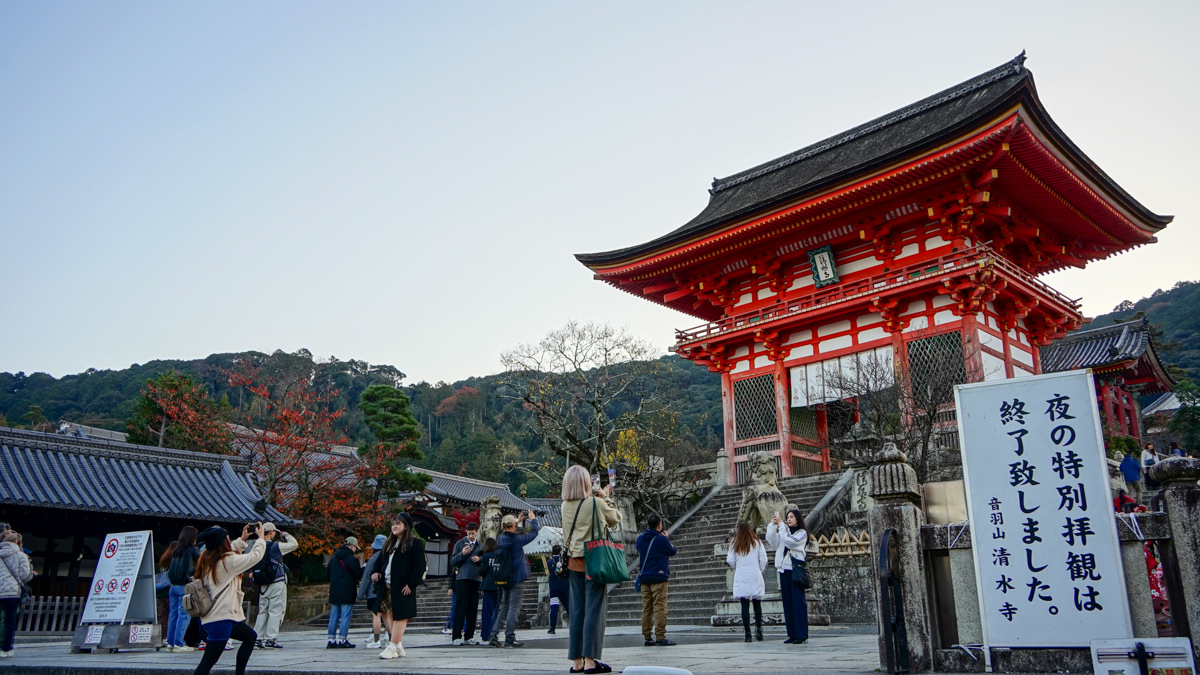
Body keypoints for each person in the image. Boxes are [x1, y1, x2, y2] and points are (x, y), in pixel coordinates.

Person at [561, 465, 621, 674]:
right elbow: (615, 519)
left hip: (573, 561)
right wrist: (605, 497)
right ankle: (590, 661)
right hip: (594, 561)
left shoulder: (564, 506)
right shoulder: (596, 502)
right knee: (594, 611)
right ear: (586, 483)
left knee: (577, 611)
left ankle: (576, 661)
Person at [191, 523, 267, 675]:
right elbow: (255, 556)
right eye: (227, 539)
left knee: (250, 637)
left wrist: (242, 539)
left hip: (222, 617)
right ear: (223, 543)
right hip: (221, 619)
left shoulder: (207, 558)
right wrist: (261, 539)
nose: (229, 540)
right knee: (206, 663)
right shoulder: (227, 562)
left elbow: (229, 551)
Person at [232, 522, 298, 650]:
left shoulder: (256, 546)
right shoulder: (276, 546)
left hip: (262, 583)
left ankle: (257, 637)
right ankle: (270, 638)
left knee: (263, 611)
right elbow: (294, 544)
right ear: (272, 532)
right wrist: (285, 534)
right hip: (276, 581)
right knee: (275, 611)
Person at [369, 513, 426, 659]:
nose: (394, 526)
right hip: (387, 584)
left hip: (403, 585)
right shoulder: (389, 543)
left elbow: (420, 565)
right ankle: (398, 645)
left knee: (401, 616)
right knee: (392, 615)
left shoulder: (415, 543)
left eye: (398, 524)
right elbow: (379, 561)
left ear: (406, 526)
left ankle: (392, 646)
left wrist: (411, 584)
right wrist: (375, 572)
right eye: (393, 524)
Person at [488, 510, 540, 648]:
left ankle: (493, 635)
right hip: (517, 576)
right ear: (513, 526)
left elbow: (509, 529)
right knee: (513, 608)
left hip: (503, 577)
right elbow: (534, 533)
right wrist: (533, 519)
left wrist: (517, 520)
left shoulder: (500, 538)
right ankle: (509, 637)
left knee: (504, 607)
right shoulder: (517, 540)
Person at [766, 509, 809, 645]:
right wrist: (773, 525)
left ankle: (801, 634)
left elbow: (790, 542)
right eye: (787, 517)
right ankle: (792, 633)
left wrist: (783, 527)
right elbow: (772, 541)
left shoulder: (801, 533)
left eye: (792, 517)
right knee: (788, 603)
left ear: (798, 519)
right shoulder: (784, 532)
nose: (789, 519)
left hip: (795, 569)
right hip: (784, 569)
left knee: (798, 602)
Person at [635, 514, 677, 647]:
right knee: (659, 606)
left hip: (645, 577)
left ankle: (647, 636)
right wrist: (666, 538)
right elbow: (672, 551)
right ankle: (660, 635)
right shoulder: (662, 539)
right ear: (659, 525)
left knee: (646, 607)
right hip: (659, 576)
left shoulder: (640, 539)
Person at [726, 522, 768, 642]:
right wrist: (759, 569)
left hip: (742, 574)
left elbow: (730, 560)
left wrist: (738, 566)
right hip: (754, 573)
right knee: (757, 603)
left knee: (744, 604)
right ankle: (759, 629)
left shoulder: (735, 543)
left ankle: (747, 633)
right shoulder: (757, 542)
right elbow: (763, 559)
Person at [166, 525, 201, 653]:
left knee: (173, 615)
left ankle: (170, 643)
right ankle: (179, 643)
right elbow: (202, 563)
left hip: (173, 587)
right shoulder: (193, 550)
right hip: (184, 586)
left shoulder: (176, 550)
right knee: (184, 615)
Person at [0, 530, 34, 658]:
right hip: (12, 593)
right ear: (16, 541)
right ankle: (6, 649)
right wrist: (31, 574)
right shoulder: (21, 555)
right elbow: (25, 576)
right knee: (9, 621)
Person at [450, 522, 484, 645]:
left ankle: (469, 635)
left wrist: (480, 559)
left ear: (477, 532)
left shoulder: (481, 545)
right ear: (466, 532)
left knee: (473, 608)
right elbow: (453, 561)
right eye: (469, 533)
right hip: (462, 578)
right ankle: (456, 636)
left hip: (476, 579)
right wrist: (462, 553)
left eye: (473, 533)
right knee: (460, 607)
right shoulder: (459, 544)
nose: (471, 536)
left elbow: (485, 563)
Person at [326, 536, 363, 648]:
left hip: (334, 591)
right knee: (345, 616)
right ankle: (342, 639)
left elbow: (327, 576)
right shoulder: (353, 560)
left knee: (334, 616)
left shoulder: (333, 560)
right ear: (352, 546)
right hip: (347, 591)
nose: (355, 550)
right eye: (355, 547)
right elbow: (358, 574)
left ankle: (331, 640)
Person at [357, 534, 388, 648]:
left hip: (373, 591)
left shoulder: (374, 559)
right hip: (387, 590)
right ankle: (390, 638)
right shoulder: (389, 557)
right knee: (387, 616)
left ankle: (376, 640)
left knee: (376, 615)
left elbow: (366, 578)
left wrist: (360, 595)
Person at [477, 538, 500, 646]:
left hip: (488, 585)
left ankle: (486, 634)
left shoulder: (486, 557)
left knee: (487, 612)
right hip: (499, 585)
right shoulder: (500, 555)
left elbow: (482, 571)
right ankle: (494, 633)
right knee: (497, 611)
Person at [547, 545, 568, 634]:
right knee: (568, 606)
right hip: (564, 586)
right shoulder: (563, 562)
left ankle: (552, 627)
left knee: (554, 607)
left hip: (553, 587)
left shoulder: (549, 562)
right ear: (560, 552)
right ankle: (576, 626)